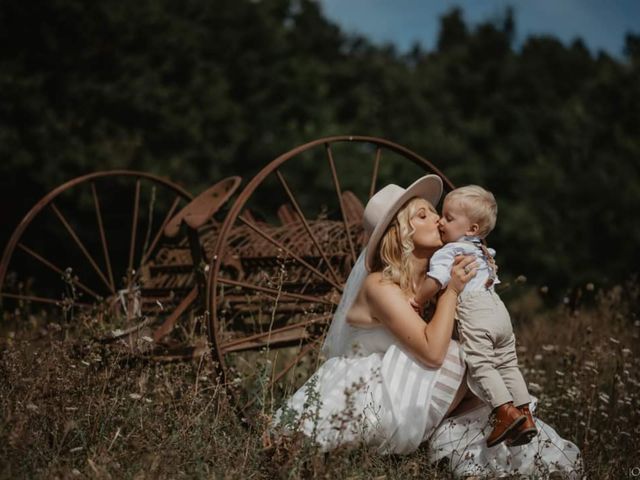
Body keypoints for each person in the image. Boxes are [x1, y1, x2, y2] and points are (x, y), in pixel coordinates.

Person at [272, 175, 581, 478]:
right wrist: (454, 291)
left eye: (436, 212)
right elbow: (433, 352)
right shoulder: (379, 285)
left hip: (416, 379)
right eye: (423, 214)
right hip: (379, 390)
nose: (437, 220)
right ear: (401, 232)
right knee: (457, 356)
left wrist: (478, 282)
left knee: (480, 364)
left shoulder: (430, 280)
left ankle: (509, 441)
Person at [411, 185, 536, 448]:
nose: (441, 222)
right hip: (498, 309)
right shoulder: (482, 251)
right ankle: (525, 416)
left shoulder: (450, 251)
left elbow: (437, 280)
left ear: (471, 230)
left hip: (476, 310)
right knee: (507, 363)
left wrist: (418, 299)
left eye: (448, 217)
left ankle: (504, 412)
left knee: (482, 364)